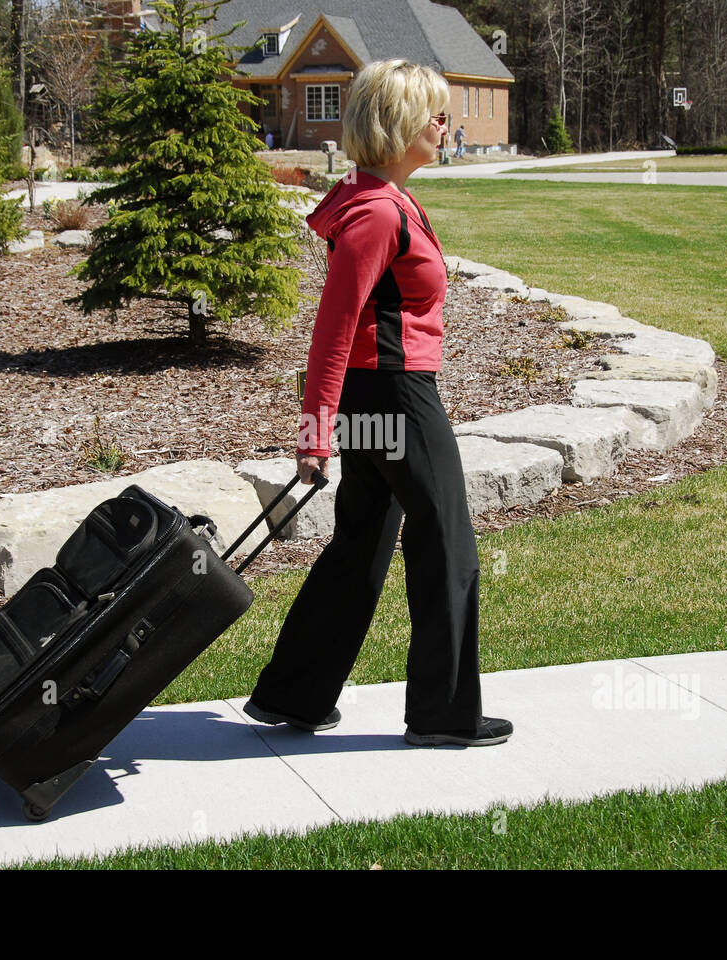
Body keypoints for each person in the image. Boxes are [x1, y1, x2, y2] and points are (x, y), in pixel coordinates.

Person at [243, 59, 513, 748]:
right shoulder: (376, 213)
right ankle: (443, 713)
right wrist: (313, 435)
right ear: (400, 125)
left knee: (361, 542)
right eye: (436, 115)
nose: (445, 126)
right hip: (394, 393)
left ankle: (294, 695)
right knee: (446, 542)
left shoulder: (375, 196)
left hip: (377, 393)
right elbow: (332, 329)